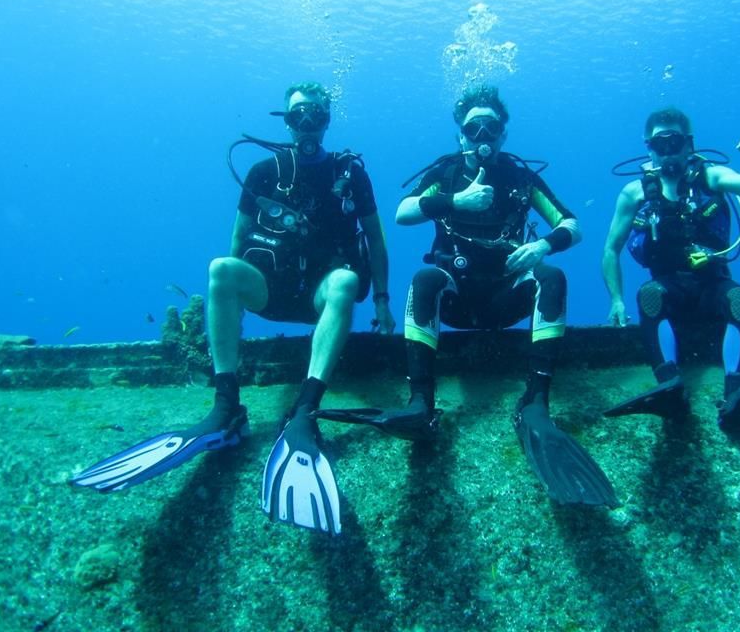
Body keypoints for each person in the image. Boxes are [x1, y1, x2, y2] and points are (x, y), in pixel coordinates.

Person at [71, 83, 396, 535]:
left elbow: (375, 240)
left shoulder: (350, 175)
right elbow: (238, 241)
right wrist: (233, 304)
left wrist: (381, 299)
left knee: (345, 280)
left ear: (326, 120)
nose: (306, 123)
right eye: (297, 114)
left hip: (323, 294)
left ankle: (306, 410)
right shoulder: (265, 171)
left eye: (315, 115)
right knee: (221, 269)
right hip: (274, 291)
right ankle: (226, 407)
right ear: (285, 121)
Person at [315, 85, 617, 507]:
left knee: (552, 277)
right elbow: (403, 213)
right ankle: (421, 401)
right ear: (460, 135)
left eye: (490, 128)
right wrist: (457, 200)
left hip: (506, 296)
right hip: (456, 297)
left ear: (503, 134)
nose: (482, 137)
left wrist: (543, 245)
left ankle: (535, 404)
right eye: (473, 129)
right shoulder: (446, 173)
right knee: (424, 279)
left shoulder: (519, 177)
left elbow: (573, 223)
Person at [601, 107, 740, 428]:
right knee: (649, 295)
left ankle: (737, 394)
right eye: (659, 143)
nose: (668, 150)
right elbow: (611, 250)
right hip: (668, 289)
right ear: (648, 147)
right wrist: (616, 299)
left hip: (713, 286)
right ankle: (669, 387)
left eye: (675, 141)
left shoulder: (711, 177)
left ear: (689, 144)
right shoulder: (635, 193)